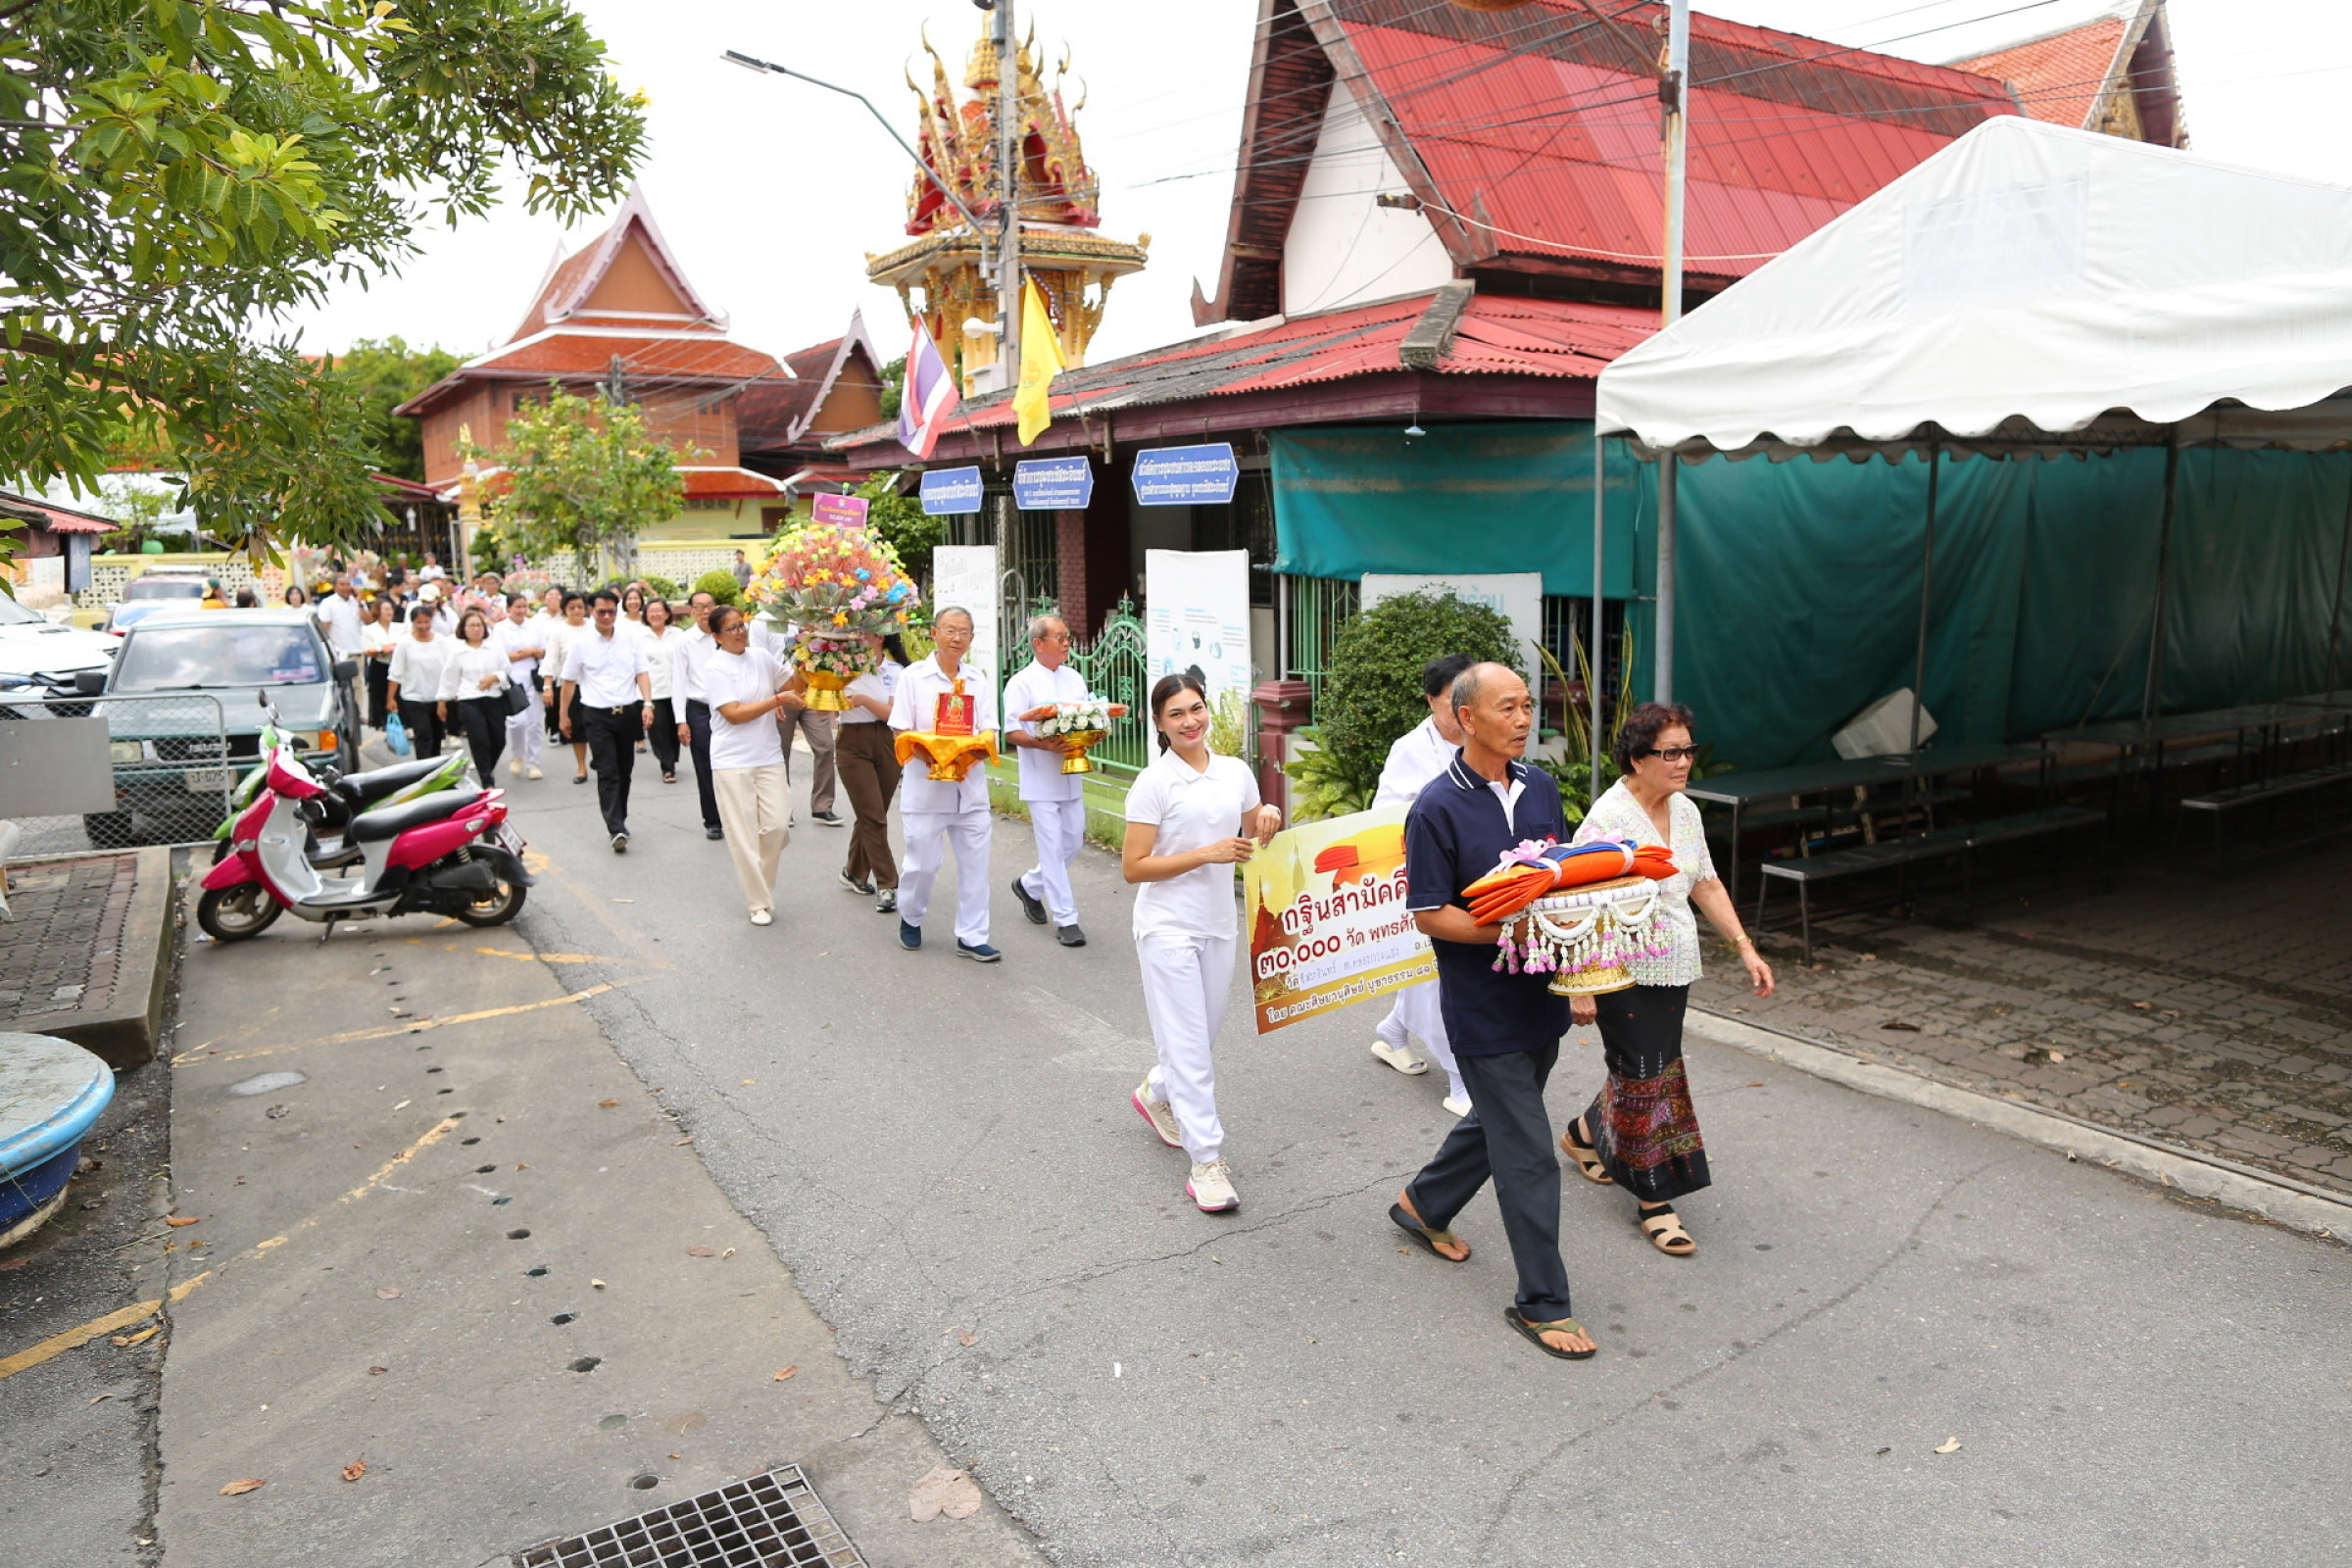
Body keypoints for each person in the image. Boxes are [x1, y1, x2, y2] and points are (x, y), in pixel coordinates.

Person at [1391, 662, 1596, 1361]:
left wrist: (1579, 973)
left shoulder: (1541, 787)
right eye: (1507, 707)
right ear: (1467, 717)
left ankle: (1424, 1204)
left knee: (1500, 1122)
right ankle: (1543, 1302)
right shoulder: (1434, 807)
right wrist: (1509, 932)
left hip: (1539, 997)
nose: (1523, 718)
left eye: (1528, 705)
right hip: (1480, 1009)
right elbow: (1429, 913)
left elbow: (1560, 882)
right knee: (1529, 1152)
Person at [1561, 702, 1774, 1258]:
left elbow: (1704, 882)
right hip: (1620, 968)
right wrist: (1579, 981)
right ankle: (1654, 1200)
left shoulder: (1685, 811)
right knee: (1643, 1070)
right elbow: (1574, 901)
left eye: (1687, 751)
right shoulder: (1608, 819)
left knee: (1653, 1066)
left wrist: (1745, 947)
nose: (1682, 763)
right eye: (1670, 753)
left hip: (1673, 964)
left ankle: (1584, 1132)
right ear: (1637, 758)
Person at [1122, 671, 1284, 1213]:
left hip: (1218, 923)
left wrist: (1267, 817)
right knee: (1190, 1046)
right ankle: (1207, 1162)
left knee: (1200, 1038)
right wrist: (1204, 854)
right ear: (1160, 724)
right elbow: (1133, 867)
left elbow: (1251, 831)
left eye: (1196, 709)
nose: (1190, 721)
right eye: (1176, 715)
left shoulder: (1235, 772)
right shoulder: (1154, 783)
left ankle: (1155, 1092)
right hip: (1167, 926)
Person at [1367, 653, 1479, 1116]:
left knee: (1435, 973)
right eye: (1452, 702)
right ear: (1431, 700)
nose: (1460, 713)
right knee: (1435, 976)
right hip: (1429, 879)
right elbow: (1385, 816)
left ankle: (1394, 1033)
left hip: (1476, 875)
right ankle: (1460, 1077)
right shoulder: (1409, 750)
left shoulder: (1483, 737)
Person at [886, 606, 999, 961]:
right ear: (934, 633)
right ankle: (911, 914)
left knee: (976, 867)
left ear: (972, 638)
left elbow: (988, 733)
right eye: (949, 630)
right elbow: (901, 730)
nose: (957, 638)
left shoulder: (978, 680)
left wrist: (965, 758)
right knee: (923, 864)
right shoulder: (914, 678)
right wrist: (935, 756)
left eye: (964, 632)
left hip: (970, 790)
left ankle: (972, 935)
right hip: (927, 789)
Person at [701, 605, 797, 924]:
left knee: (777, 826)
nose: (741, 632)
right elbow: (734, 713)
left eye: (742, 625)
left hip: (768, 755)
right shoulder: (716, 667)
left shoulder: (762, 657)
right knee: (743, 836)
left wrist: (816, 654)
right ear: (716, 636)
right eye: (732, 628)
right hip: (732, 760)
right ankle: (757, 903)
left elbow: (794, 685)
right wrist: (776, 701)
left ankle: (762, 887)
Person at [1003, 612, 1092, 947]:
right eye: (1061, 637)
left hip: (1070, 771)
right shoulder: (1021, 682)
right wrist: (1043, 743)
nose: (1067, 643)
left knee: (1073, 842)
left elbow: (1086, 719)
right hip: (1040, 776)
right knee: (1052, 847)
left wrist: (1089, 738)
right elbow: (1012, 731)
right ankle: (1066, 919)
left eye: (1068, 637)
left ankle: (1028, 885)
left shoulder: (1074, 678)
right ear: (1039, 643)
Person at [560, 590, 653, 853]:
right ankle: (615, 828)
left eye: (612, 611)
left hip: (627, 712)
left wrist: (647, 704)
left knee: (625, 770)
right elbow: (568, 682)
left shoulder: (631, 639)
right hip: (596, 714)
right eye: (602, 612)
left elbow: (642, 673)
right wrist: (563, 715)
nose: (607, 616)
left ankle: (619, 816)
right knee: (608, 771)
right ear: (592, 612)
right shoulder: (580, 643)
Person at [834, 631, 906, 912]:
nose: (862, 637)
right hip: (853, 743)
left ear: (882, 638)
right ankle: (887, 884)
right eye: (858, 632)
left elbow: (893, 713)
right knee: (873, 815)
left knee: (873, 812)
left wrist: (863, 699)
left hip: (888, 742)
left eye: (870, 633)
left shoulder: (897, 671)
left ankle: (853, 871)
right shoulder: (840, 667)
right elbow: (828, 705)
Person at [672, 590, 725, 841]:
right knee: (705, 764)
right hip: (700, 709)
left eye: (709, 606)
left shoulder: (726, 636)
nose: (705, 611)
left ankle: (734, 815)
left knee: (732, 762)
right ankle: (713, 820)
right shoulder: (685, 642)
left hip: (728, 708)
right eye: (699, 607)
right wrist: (681, 720)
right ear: (692, 611)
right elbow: (679, 683)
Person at [437, 608, 511, 779]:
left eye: (479, 625)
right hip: (469, 700)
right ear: (463, 629)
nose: (476, 629)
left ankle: (487, 767)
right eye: (471, 625)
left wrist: (494, 677)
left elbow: (507, 671)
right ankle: (486, 779)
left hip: (494, 698)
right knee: (480, 740)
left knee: (499, 739)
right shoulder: (457, 652)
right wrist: (442, 701)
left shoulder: (494, 648)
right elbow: (449, 678)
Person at [385, 603, 451, 760]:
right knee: (423, 734)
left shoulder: (442, 642)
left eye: (426, 622)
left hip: (437, 697)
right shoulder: (405, 643)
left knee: (436, 735)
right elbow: (396, 672)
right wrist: (391, 698)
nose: (423, 626)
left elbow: (450, 669)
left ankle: (435, 767)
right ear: (413, 623)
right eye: (419, 622)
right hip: (413, 697)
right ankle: (423, 769)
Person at [541, 593, 590, 785]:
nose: (576, 610)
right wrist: (547, 686)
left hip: (595, 686)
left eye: (580, 606)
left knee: (599, 726)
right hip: (571, 687)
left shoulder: (594, 627)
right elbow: (550, 660)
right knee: (577, 727)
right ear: (565, 610)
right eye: (572, 607)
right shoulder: (559, 631)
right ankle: (581, 766)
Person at [495, 594, 546, 779]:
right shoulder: (500, 629)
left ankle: (534, 762)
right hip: (513, 680)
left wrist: (533, 652)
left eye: (524, 606)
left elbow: (543, 651)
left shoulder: (535, 626)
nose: (521, 610)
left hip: (533, 677)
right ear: (508, 608)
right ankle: (518, 755)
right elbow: (499, 654)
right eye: (517, 606)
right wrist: (521, 654)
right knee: (517, 722)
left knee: (534, 723)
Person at [641, 598, 687, 783]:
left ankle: (672, 758)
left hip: (677, 689)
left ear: (667, 614)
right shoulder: (639, 637)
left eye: (659, 610)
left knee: (673, 728)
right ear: (646, 615)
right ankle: (667, 766)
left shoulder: (678, 634)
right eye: (651, 611)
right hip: (654, 691)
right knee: (658, 730)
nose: (655, 614)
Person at [361, 597, 399, 730]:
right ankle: (383, 723)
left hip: (397, 665)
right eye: (386, 609)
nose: (389, 612)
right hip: (379, 666)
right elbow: (368, 649)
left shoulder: (399, 627)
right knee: (379, 695)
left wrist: (385, 647)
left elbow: (403, 644)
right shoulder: (369, 629)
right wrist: (385, 649)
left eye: (390, 609)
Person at [316, 572, 366, 664]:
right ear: (335, 587)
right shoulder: (328, 603)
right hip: (339, 653)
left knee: (359, 679)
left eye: (348, 584)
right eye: (342, 585)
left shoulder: (357, 601)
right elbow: (324, 629)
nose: (346, 587)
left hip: (358, 651)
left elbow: (368, 621)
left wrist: (359, 602)